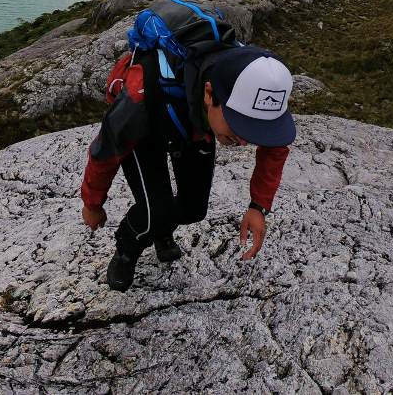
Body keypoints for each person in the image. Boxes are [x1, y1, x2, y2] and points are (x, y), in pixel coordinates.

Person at [80, 39, 296, 291]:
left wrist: (258, 206)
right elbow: (107, 147)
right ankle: (127, 249)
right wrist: (92, 204)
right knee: (154, 213)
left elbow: (275, 147)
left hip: (193, 123)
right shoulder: (140, 94)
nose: (244, 141)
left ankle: (160, 230)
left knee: (194, 209)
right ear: (209, 93)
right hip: (147, 129)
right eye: (238, 125)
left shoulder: (258, 86)